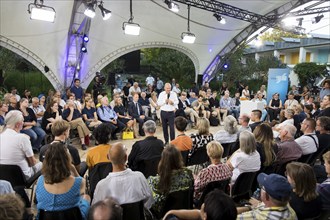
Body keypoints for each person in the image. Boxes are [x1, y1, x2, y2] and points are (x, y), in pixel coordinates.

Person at [36, 143, 90, 219]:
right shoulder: (78, 182)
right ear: (68, 160)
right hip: (73, 216)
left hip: (45, 216)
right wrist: (74, 170)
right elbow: (82, 186)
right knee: (86, 197)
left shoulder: (40, 180)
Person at [92, 142, 154, 208]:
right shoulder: (139, 177)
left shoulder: (101, 185)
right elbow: (150, 201)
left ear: (108, 157)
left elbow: (95, 209)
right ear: (126, 157)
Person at [147, 145, 193, 217]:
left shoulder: (154, 181)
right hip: (185, 214)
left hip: (165, 216)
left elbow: (154, 206)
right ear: (179, 158)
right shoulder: (188, 174)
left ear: (163, 160)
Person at [0, 110, 42, 180]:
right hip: (21, 177)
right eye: (22, 121)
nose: (23, 123)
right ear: (17, 124)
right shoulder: (22, 138)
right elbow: (33, 163)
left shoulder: (1, 136)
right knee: (43, 164)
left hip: (3, 176)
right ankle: (41, 190)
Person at [163, 189, 237, 220]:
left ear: (205, 216)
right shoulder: (227, 214)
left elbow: (170, 215)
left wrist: (170, 213)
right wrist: (248, 208)